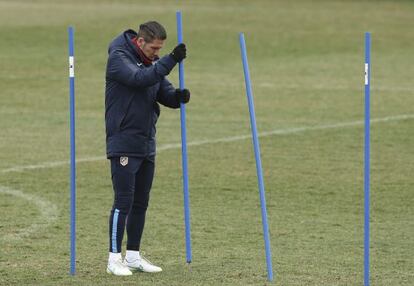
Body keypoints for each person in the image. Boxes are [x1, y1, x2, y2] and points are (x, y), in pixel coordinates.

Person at [104, 21, 190, 276]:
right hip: (123, 141)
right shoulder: (119, 58)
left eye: (160, 49)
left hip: (146, 142)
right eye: (154, 48)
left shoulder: (152, 63)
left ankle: (132, 256)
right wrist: (171, 59)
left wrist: (179, 97)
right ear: (140, 42)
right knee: (124, 201)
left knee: (141, 202)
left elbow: (163, 92)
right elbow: (139, 79)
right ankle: (113, 259)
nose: (157, 53)